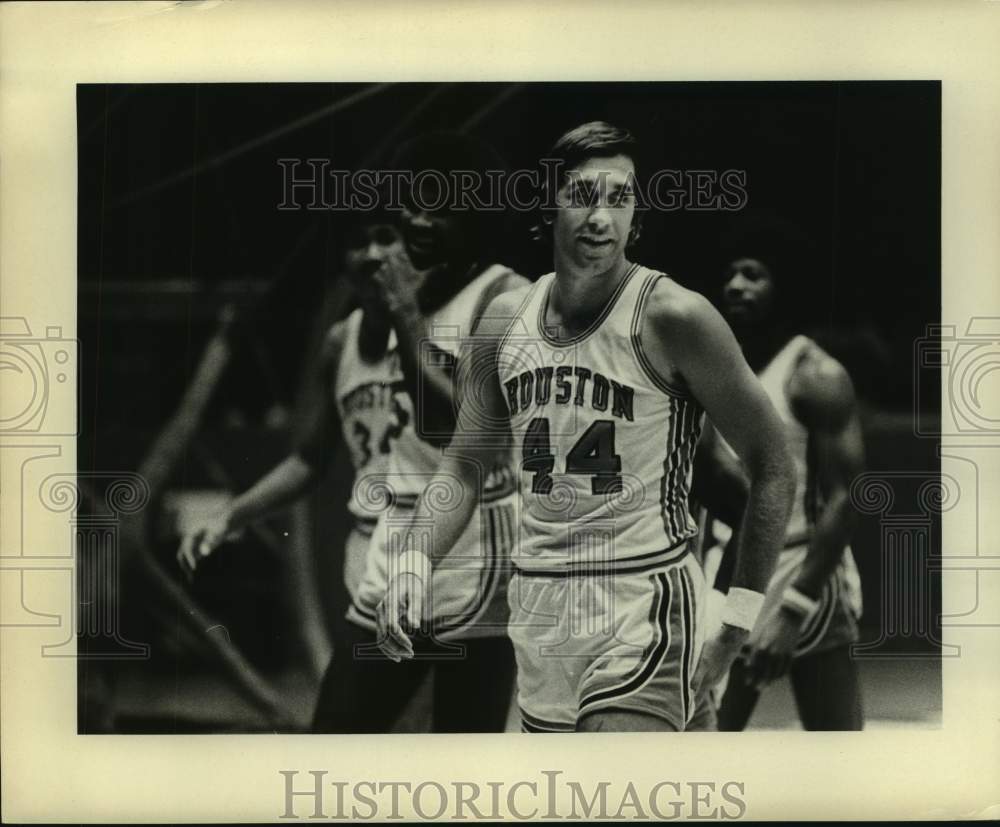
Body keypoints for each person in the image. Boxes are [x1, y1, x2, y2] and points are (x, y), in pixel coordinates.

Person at [376, 121, 796, 733]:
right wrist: (415, 561)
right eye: (582, 196)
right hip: (541, 612)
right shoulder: (502, 322)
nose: (601, 217)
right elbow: (463, 466)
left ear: (636, 215)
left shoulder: (674, 316)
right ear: (549, 205)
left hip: (641, 604)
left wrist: (736, 620)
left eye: (619, 198)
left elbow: (775, 467)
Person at [179, 131, 528, 733]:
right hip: (388, 550)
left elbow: (466, 436)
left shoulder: (500, 298)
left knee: (465, 755)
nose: (375, 253)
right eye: (361, 241)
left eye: (387, 236)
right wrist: (233, 514)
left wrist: (406, 319)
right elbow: (311, 458)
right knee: (338, 734)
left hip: (474, 549)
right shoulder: (346, 337)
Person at [707, 217, 866, 731]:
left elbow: (848, 497)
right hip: (729, 568)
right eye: (730, 273)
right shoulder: (712, 367)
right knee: (702, 741)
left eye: (753, 274)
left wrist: (795, 609)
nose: (735, 285)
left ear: (785, 287)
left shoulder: (816, 374)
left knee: (837, 750)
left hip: (801, 569)